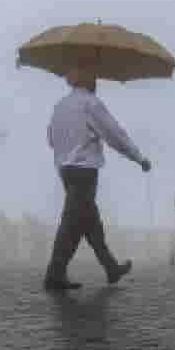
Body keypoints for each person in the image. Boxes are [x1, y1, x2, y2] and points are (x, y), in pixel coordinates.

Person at [43, 62, 149, 292]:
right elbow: (115, 134)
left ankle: (110, 268)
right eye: (94, 77)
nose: (97, 81)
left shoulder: (60, 105)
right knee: (72, 222)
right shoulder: (91, 103)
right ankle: (54, 274)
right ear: (86, 79)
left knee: (89, 222)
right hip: (84, 170)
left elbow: (51, 139)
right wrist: (138, 157)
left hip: (65, 169)